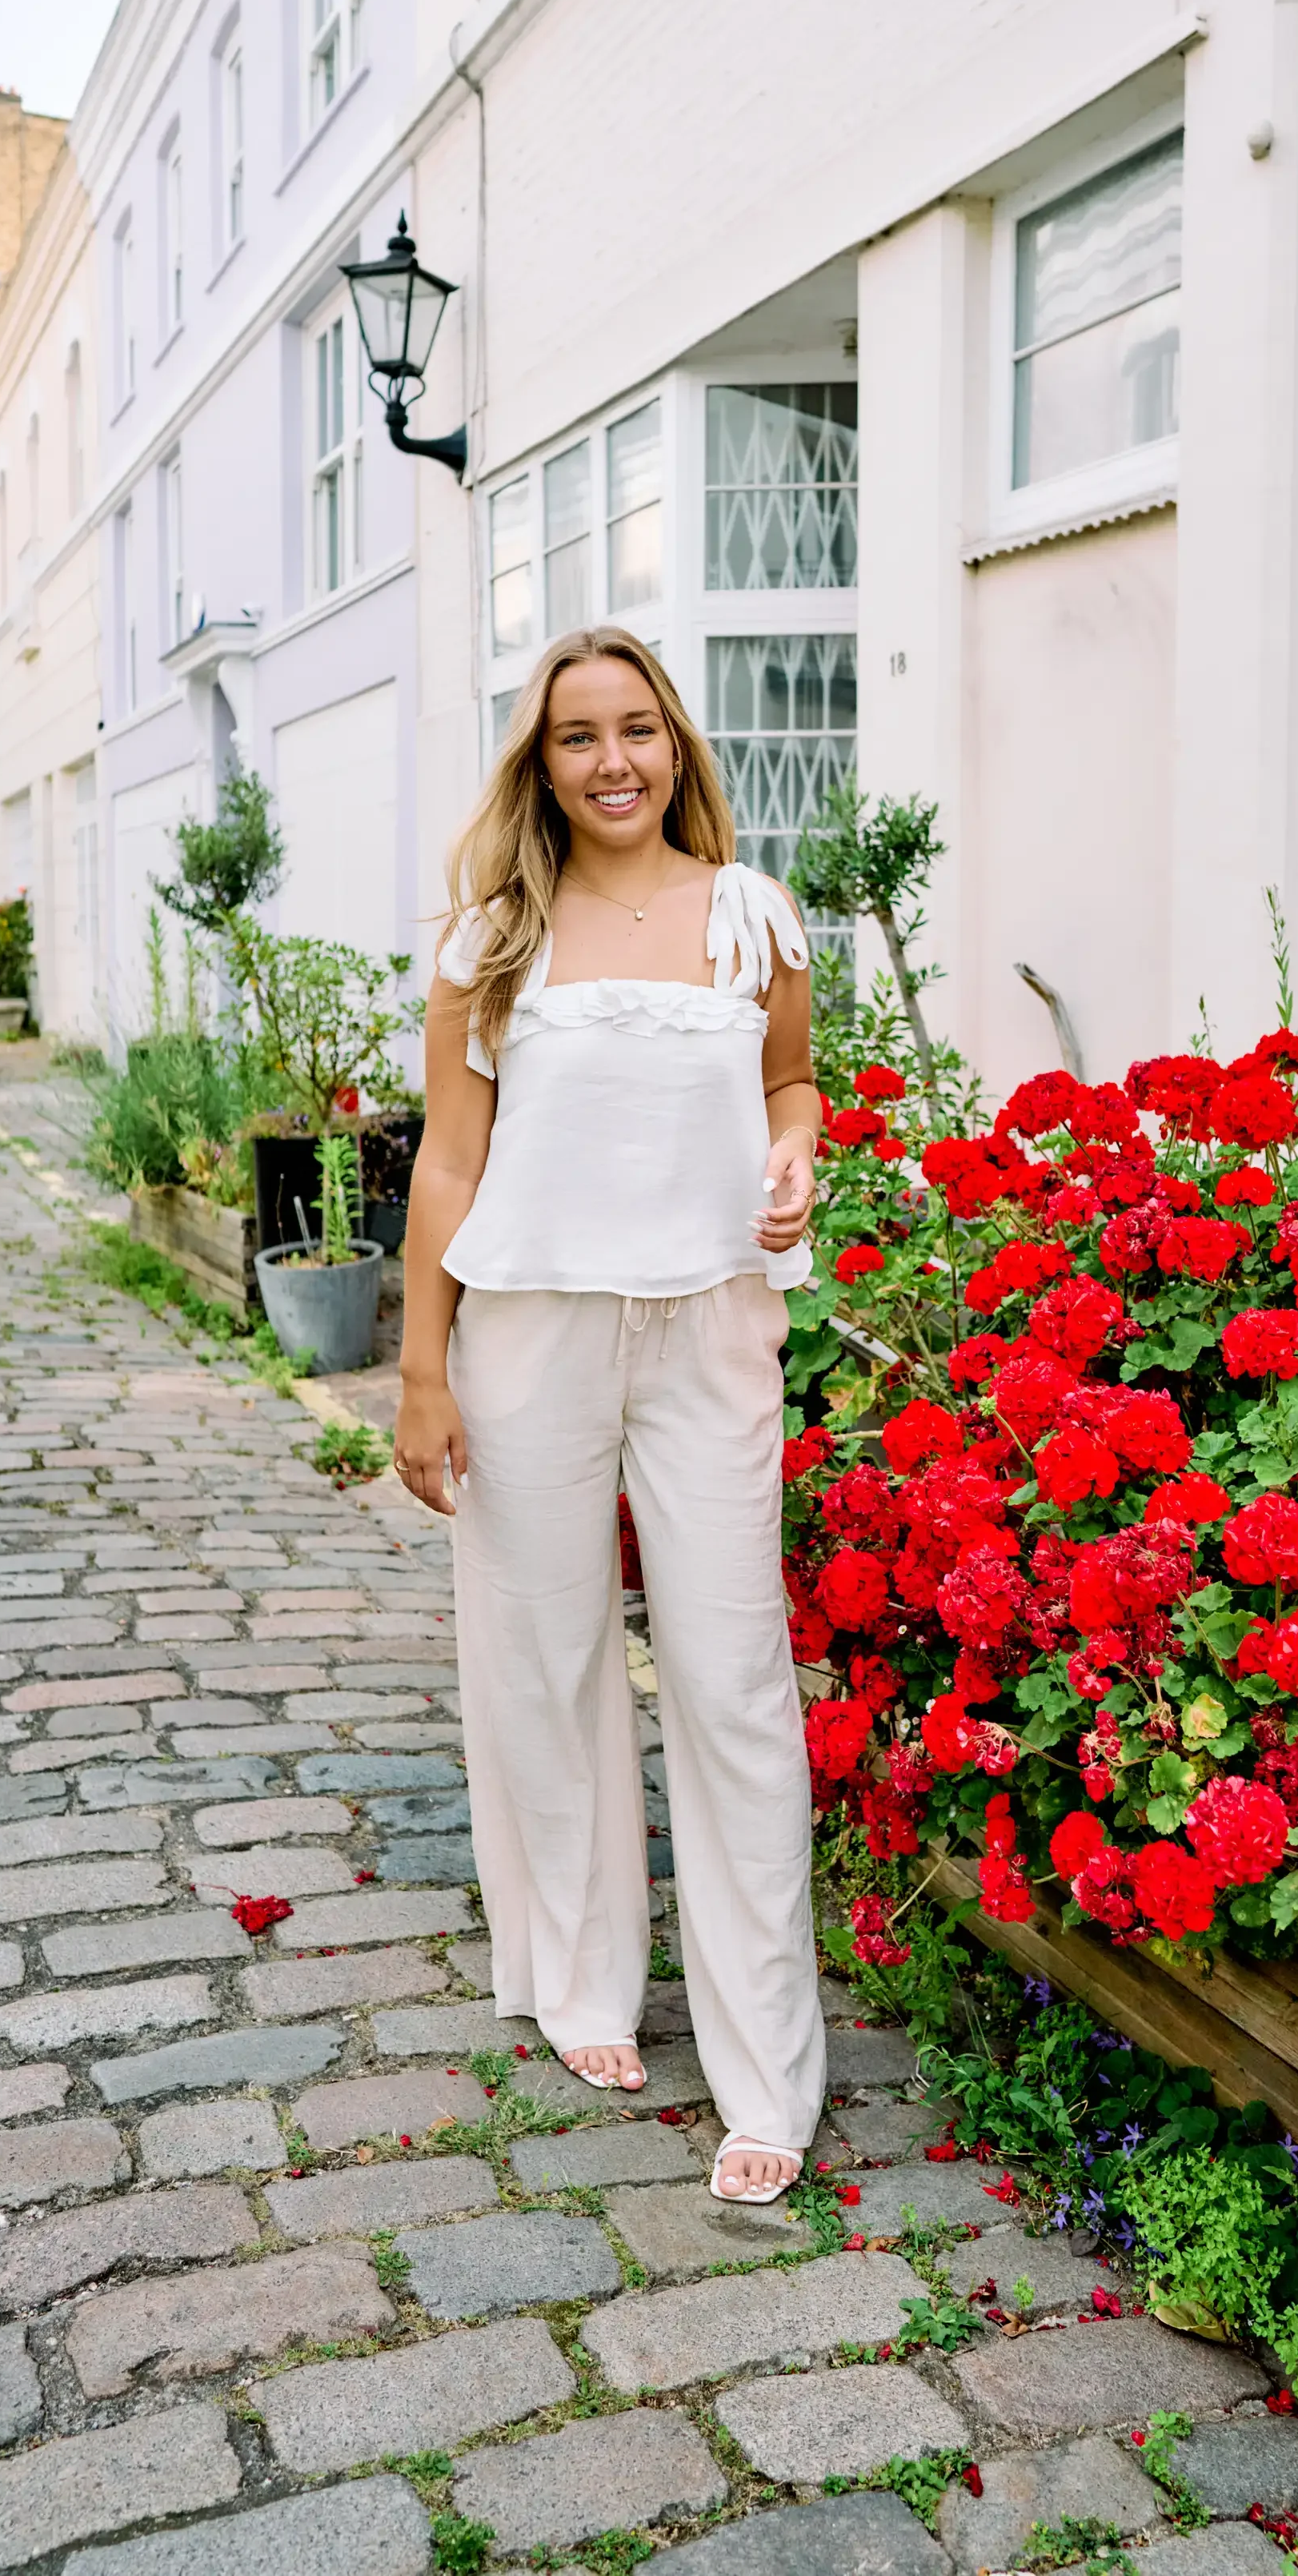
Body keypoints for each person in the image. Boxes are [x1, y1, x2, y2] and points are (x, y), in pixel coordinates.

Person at [395, 625, 825, 2203]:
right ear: (541, 762)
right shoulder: (489, 940)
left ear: (675, 742)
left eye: (637, 727)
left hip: (709, 1324)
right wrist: (421, 1366)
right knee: (546, 1652)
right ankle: (579, 1978)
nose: (613, 759)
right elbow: (448, 1161)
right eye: (577, 736)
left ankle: (765, 2061)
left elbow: (790, 1084)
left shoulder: (750, 918)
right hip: (528, 1334)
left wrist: (793, 1153)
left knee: (729, 1678)